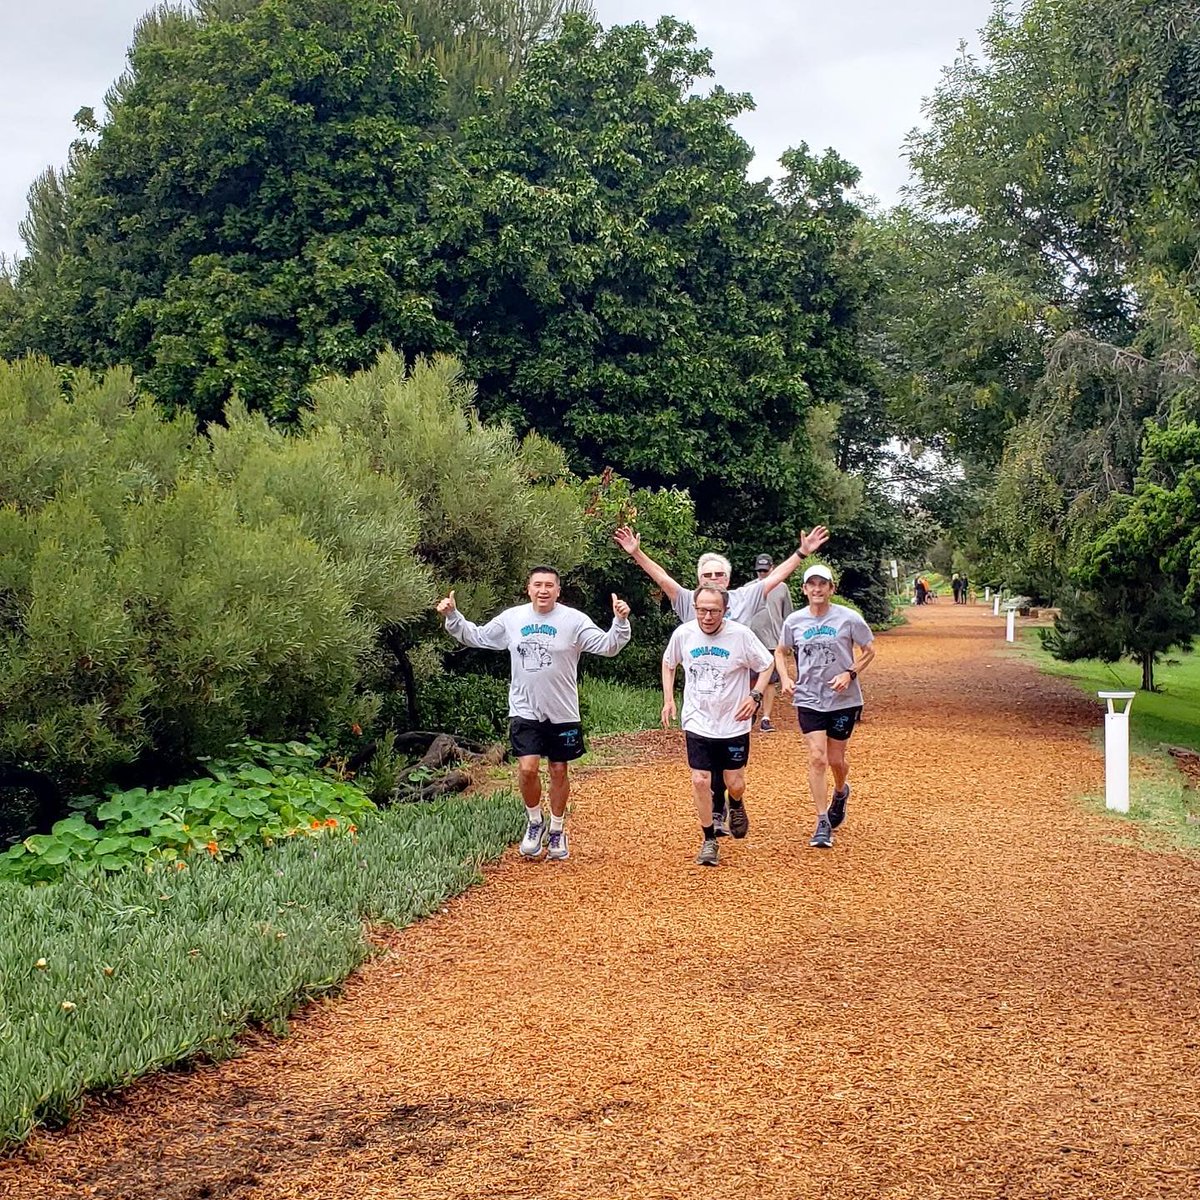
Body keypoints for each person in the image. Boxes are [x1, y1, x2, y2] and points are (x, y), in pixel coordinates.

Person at [613, 524, 829, 839]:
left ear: (727, 580)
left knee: (732, 772)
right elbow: (662, 579)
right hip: (701, 696)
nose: (713, 580)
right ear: (699, 582)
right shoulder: (689, 601)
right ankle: (715, 811)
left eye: (718, 575)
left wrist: (802, 553)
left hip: (737, 692)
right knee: (704, 764)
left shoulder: (744, 597)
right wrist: (636, 554)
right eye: (707, 576)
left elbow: (776, 577)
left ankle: (732, 801)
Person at [436, 567, 631, 862]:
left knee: (558, 770)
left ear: (558, 590)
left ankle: (556, 828)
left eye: (549, 585)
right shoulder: (513, 618)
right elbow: (478, 636)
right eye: (537, 585)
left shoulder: (574, 621)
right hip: (524, 708)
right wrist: (453, 616)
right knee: (527, 768)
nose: (543, 590)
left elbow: (608, 646)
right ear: (528, 589)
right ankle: (534, 821)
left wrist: (620, 621)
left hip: (563, 710)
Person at [661, 585, 774, 867]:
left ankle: (735, 803)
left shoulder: (740, 635)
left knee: (734, 782)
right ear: (695, 609)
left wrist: (755, 695)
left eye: (713, 611)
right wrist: (668, 699)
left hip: (733, 722)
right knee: (700, 779)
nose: (707, 616)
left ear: (725, 611)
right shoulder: (684, 634)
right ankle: (709, 838)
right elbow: (668, 662)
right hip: (698, 719)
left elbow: (767, 664)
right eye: (702, 610)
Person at [776, 564, 876, 850]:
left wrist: (849, 673)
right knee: (817, 757)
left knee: (835, 759)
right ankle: (822, 821)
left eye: (823, 584)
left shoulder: (849, 618)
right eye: (812, 585)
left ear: (832, 589)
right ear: (805, 589)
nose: (817, 589)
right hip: (808, 697)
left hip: (843, 699)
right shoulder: (794, 621)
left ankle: (841, 791)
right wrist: (785, 677)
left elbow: (870, 650)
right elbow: (780, 651)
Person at [747, 553, 793, 734]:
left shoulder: (782, 588)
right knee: (749, 678)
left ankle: (766, 717)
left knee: (770, 682)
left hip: (773, 641)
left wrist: (787, 640)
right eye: (760, 571)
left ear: (772, 568)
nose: (762, 574)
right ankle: (751, 708)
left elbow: (787, 616)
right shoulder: (749, 588)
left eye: (765, 571)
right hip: (751, 641)